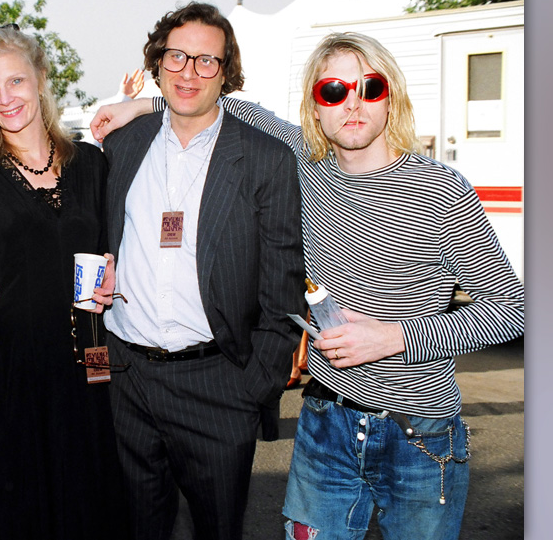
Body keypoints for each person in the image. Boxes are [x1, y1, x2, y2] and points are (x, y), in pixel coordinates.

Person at [91, 31, 525, 540]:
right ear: (315, 108)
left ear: (392, 96)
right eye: (333, 91)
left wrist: (393, 337)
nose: (353, 104)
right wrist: (142, 105)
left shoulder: (442, 189)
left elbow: (512, 309)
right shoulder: (300, 163)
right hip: (324, 423)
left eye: (370, 88)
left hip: (419, 434)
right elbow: (225, 105)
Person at [92, 2, 305, 540]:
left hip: (218, 387)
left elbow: (282, 288)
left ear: (226, 72)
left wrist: (252, 388)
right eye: (177, 57)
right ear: (157, 62)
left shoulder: (266, 158)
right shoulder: (120, 147)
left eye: (207, 60)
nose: (189, 72)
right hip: (126, 383)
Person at [0, 24, 128, 540]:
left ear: (40, 78)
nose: (5, 98)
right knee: (12, 513)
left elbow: (113, 247)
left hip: (84, 363)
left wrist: (113, 271)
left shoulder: (92, 164)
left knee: (86, 503)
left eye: (15, 81)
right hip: (1, 378)